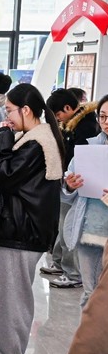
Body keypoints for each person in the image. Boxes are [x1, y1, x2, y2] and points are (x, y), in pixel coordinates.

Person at [0, 83, 65, 354]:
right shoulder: (28, 138)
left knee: (10, 301)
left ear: (26, 110)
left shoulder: (37, 143)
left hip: (23, 233)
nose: (7, 117)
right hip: (10, 228)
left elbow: (1, 172)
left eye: (10, 111)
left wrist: (0, 138)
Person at [43, 88, 99, 288]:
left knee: (70, 228)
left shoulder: (86, 127)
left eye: (58, 114)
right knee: (63, 225)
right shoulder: (73, 124)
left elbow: (80, 160)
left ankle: (73, 273)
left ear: (68, 108)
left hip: (77, 185)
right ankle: (60, 263)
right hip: (67, 183)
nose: (57, 118)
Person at [61, 94, 108, 306]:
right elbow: (68, 189)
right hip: (89, 229)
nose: (105, 122)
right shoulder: (89, 147)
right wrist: (70, 185)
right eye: (102, 116)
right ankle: (88, 328)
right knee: (90, 293)